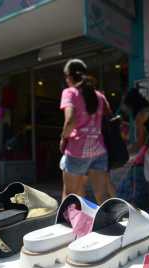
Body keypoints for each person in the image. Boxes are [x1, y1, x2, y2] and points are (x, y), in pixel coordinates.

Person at [59, 59, 110, 203]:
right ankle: (107, 222)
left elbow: (70, 121)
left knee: (70, 195)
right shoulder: (99, 95)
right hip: (99, 150)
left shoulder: (70, 93)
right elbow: (108, 115)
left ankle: (70, 223)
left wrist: (63, 138)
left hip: (77, 151)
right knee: (102, 196)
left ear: (69, 76)